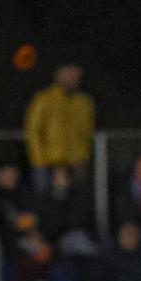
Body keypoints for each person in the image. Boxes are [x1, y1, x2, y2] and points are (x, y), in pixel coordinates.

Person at [22, 64, 96, 199]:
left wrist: (83, 157)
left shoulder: (83, 101)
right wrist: (39, 160)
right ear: (59, 75)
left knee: (77, 201)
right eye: (70, 74)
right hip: (48, 163)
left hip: (76, 163)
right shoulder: (44, 99)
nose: (74, 79)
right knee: (46, 200)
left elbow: (86, 133)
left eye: (76, 76)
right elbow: (33, 130)